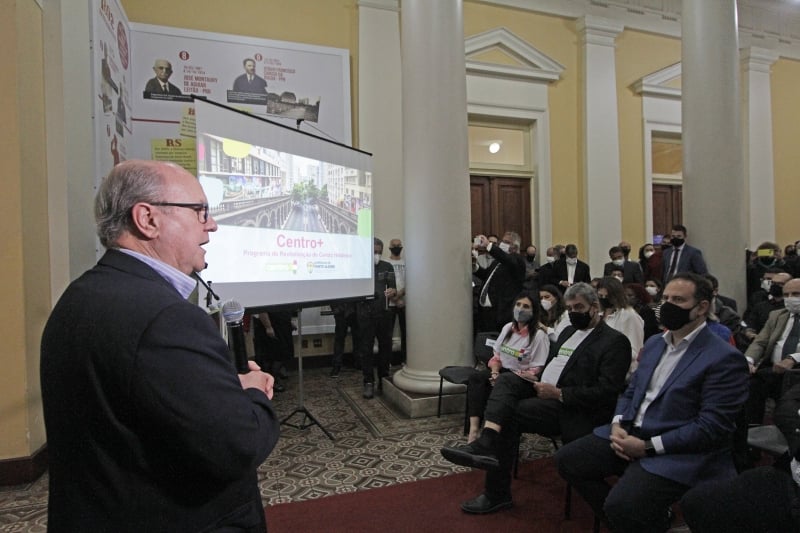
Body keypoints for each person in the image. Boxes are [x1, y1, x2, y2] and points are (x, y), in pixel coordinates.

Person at [40, 160, 279, 531]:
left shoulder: (81, 295)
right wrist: (252, 395)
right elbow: (237, 446)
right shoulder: (166, 319)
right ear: (147, 218)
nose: (212, 224)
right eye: (200, 212)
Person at [556, 273, 749, 533]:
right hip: (631, 432)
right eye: (665, 298)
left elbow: (711, 427)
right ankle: (648, 521)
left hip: (678, 448)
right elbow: (631, 390)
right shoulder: (655, 343)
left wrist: (647, 447)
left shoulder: (723, 357)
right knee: (568, 459)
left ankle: (636, 517)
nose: (667, 305)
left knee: (623, 505)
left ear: (702, 307)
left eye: (678, 300)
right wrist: (617, 424)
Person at [440, 283, 631, 515]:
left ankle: (496, 492)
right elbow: (553, 363)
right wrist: (532, 377)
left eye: (579, 307)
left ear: (594, 307)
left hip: (571, 406)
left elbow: (607, 391)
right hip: (543, 388)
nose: (573, 313)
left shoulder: (614, 341)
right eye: (569, 308)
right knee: (506, 381)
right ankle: (486, 440)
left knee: (509, 413)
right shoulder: (569, 331)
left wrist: (559, 393)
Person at [466, 291, 550, 443]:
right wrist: (495, 372)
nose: (520, 309)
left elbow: (537, 368)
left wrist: (507, 377)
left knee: (504, 382)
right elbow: (497, 356)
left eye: (526, 306)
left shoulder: (539, 336)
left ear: (533, 311)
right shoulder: (508, 328)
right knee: (476, 378)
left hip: (523, 379)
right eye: (518, 305)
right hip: (503, 372)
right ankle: (473, 429)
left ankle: (490, 434)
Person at [743, 277, 800, 427]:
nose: (790, 299)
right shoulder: (777, 315)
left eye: (796, 294)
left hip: (797, 372)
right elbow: (760, 341)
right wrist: (748, 360)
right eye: (786, 295)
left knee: (788, 405)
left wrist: (793, 358)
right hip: (774, 369)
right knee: (748, 386)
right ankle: (752, 430)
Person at [357, 237, 397, 399]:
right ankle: (368, 382)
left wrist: (392, 291)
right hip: (365, 314)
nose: (377, 255)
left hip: (384, 314)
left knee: (385, 347)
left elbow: (393, 287)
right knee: (366, 349)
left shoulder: (387, 266)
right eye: (374, 252)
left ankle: (383, 378)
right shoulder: (359, 267)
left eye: (379, 252)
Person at [474, 232, 527, 332]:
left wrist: (488, 245)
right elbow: (487, 276)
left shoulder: (518, 261)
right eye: (502, 241)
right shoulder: (497, 262)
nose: (502, 244)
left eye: (507, 242)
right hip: (485, 312)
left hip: (501, 312)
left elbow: (507, 259)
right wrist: (475, 268)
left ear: (515, 247)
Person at [596, 277, 644, 377]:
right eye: (601, 296)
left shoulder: (629, 315)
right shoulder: (599, 314)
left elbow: (635, 350)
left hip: (620, 371)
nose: (604, 299)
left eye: (607, 296)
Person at [386, 238, 406, 364]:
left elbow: (411, 281)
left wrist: (400, 295)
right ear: (390, 247)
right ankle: (387, 359)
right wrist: (394, 297)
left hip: (404, 303)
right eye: (394, 245)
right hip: (390, 303)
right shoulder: (386, 263)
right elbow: (385, 284)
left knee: (406, 333)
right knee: (387, 333)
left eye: (399, 245)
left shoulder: (406, 262)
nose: (397, 247)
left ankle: (405, 359)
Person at [329, 300, 360, 377]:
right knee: (341, 338)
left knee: (356, 337)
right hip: (345, 310)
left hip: (351, 309)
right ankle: (337, 366)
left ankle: (337, 366)